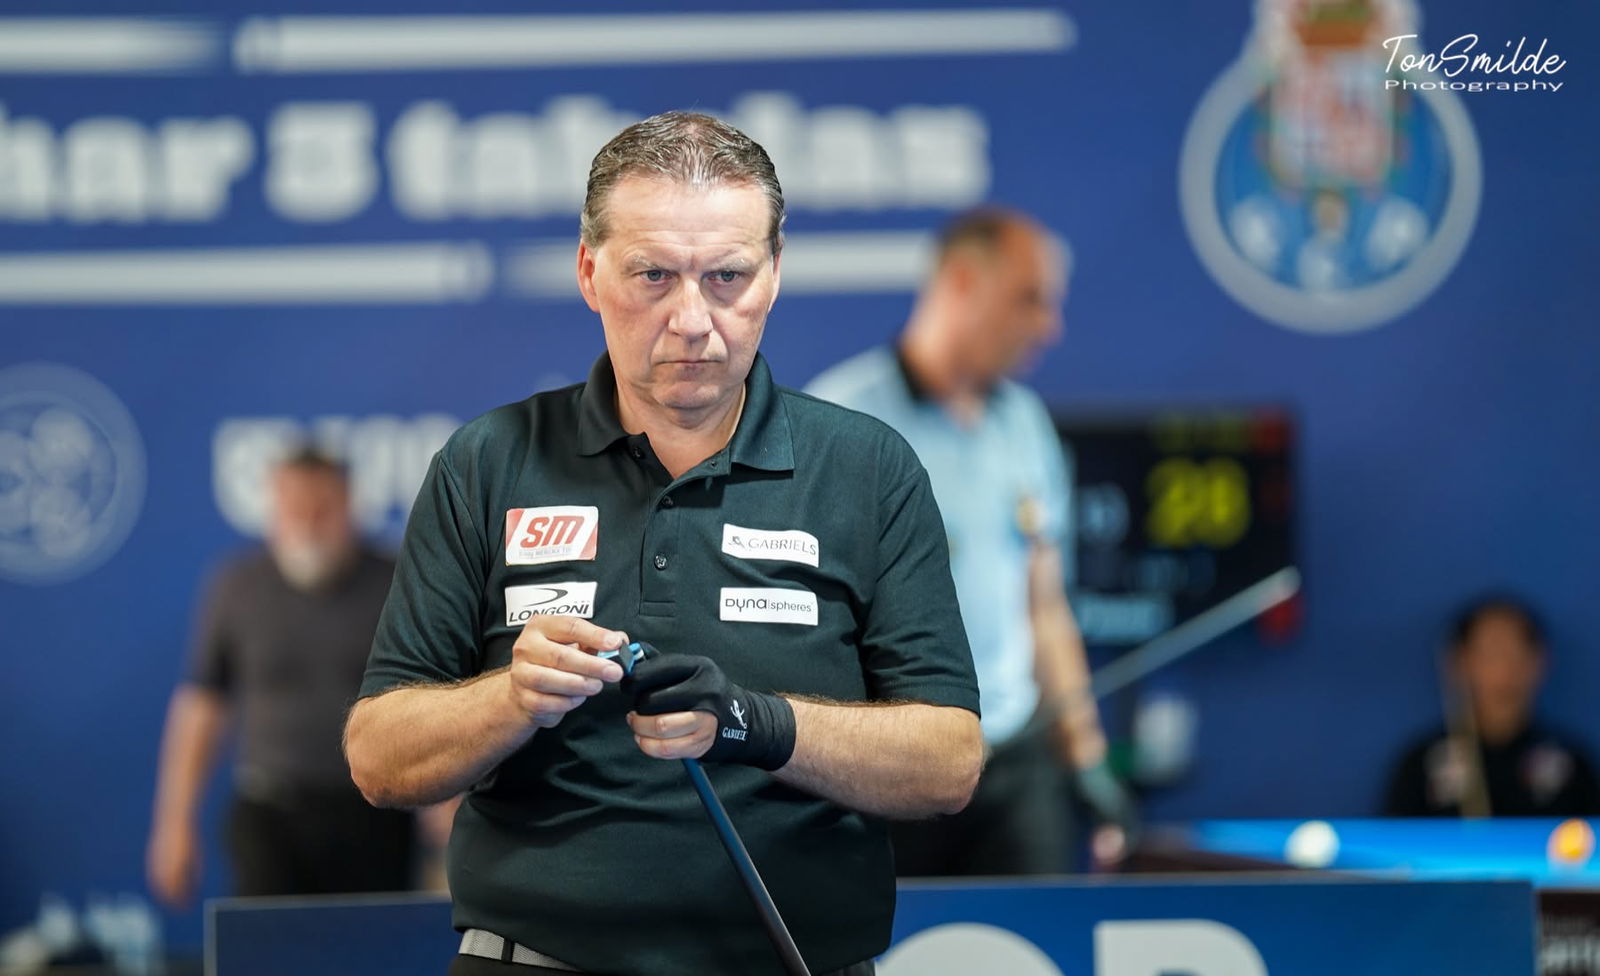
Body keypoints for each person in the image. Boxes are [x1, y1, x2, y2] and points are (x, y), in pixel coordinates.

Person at [343, 111, 983, 976]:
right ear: (588, 272)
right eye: (652, 275)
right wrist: (511, 698)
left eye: (726, 276)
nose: (691, 319)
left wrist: (758, 723)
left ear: (774, 274)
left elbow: (949, 762)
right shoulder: (487, 462)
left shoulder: (867, 468)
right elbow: (379, 761)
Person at [805, 208, 1134, 876]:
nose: (1048, 326)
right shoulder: (839, 420)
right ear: (961, 280)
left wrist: (1088, 761)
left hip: (1015, 761)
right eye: (1028, 299)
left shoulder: (1025, 425)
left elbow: (1045, 608)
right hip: (888, 767)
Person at [147, 448, 412, 907]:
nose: (308, 524)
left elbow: (432, 694)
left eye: (322, 508)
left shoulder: (398, 582)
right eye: (294, 508)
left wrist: (447, 800)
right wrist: (174, 823)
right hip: (269, 814)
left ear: (350, 506)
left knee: (373, 943)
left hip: (375, 813)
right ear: (272, 510)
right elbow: (202, 704)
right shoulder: (237, 586)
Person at [1382, 595, 1600, 817]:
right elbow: (1396, 836)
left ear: (1539, 662)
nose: (1504, 671)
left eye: (1516, 653)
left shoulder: (1570, 766)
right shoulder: (1423, 765)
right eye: (1490, 654)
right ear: (1459, 663)